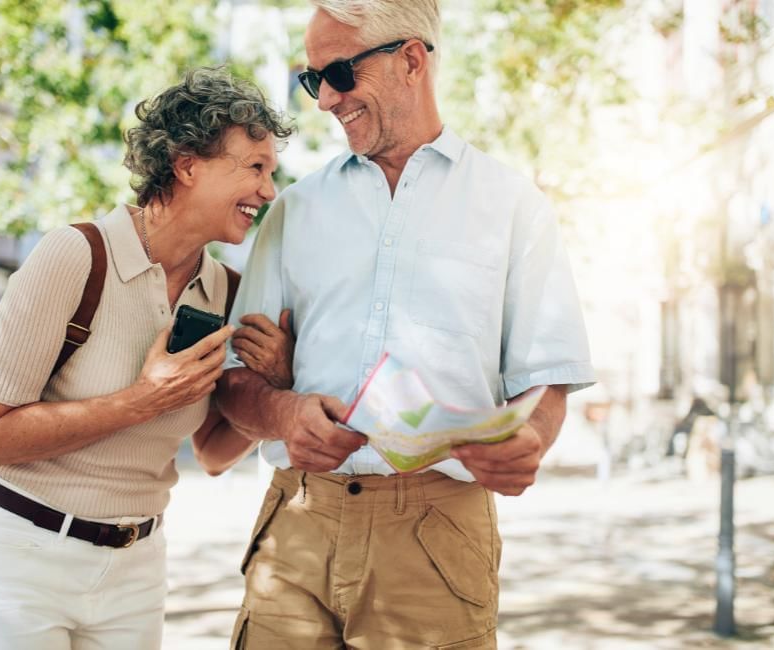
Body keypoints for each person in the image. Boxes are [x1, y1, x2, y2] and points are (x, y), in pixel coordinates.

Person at [216, 2, 596, 648]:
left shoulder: (514, 208)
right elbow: (231, 385)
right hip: (298, 529)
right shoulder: (293, 212)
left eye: (337, 73)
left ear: (412, 60)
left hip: (437, 540)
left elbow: (546, 383)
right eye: (313, 81)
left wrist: (530, 440)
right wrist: (282, 415)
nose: (325, 100)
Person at [0, 67, 294, 649]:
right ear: (187, 165)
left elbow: (210, 452)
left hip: (135, 567)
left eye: (270, 172)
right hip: (15, 558)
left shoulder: (225, 291)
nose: (268, 191)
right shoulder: (75, 257)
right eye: (254, 168)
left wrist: (276, 385)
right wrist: (139, 401)